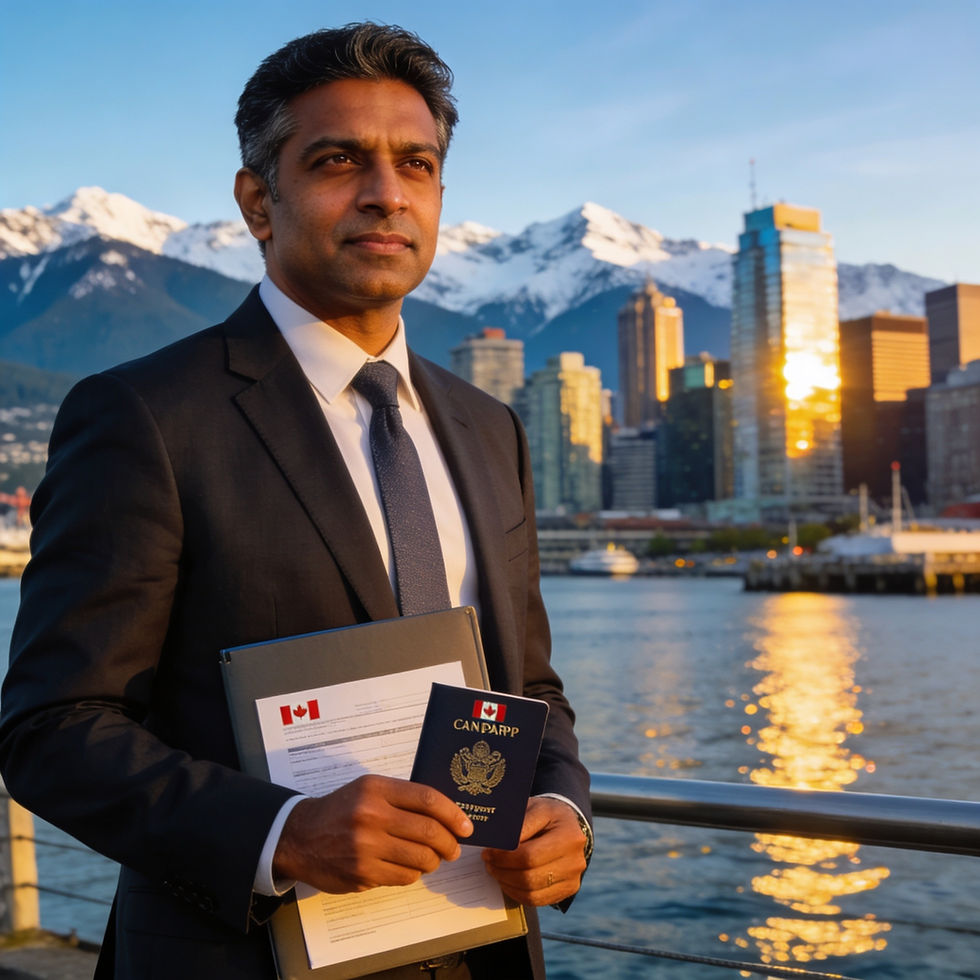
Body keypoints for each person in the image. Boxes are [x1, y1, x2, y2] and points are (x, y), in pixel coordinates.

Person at [0, 22, 592, 980]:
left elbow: (530, 692)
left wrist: (564, 812)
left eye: (417, 163)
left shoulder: (492, 429)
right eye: (337, 160)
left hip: (482, 947)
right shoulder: (143, 417)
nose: (385, 193)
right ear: (257, 201)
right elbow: (51, 729)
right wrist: (281, 832)